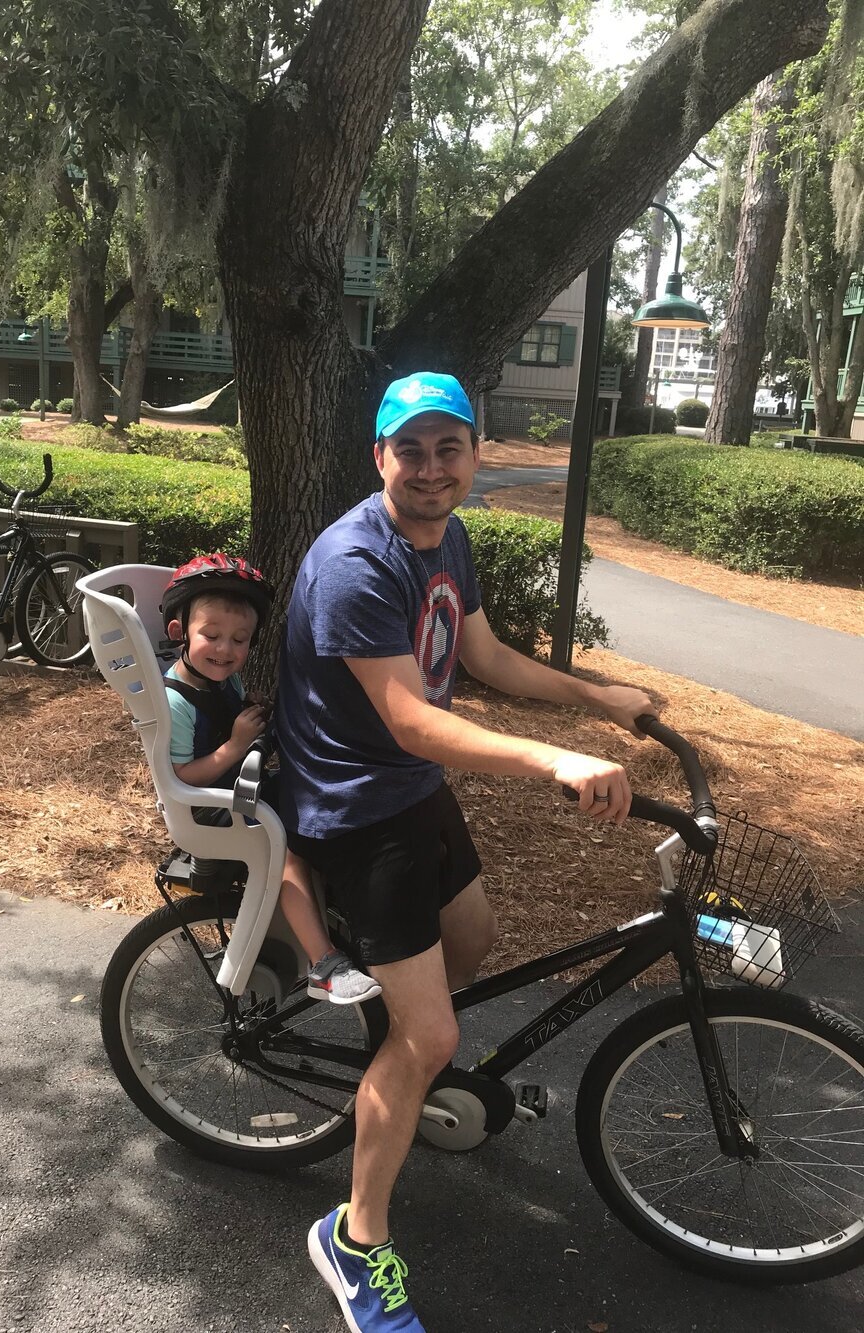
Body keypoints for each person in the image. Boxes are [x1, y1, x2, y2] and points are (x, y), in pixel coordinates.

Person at [275, 373, 657, 1331]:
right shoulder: (358, 560)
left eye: (450, 447)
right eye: (412, 449)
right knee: (433, 1036)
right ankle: (356, 1239)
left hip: (411, 794)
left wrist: (594, 697)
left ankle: (394, 1074)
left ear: (475, 455)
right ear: (381, 458)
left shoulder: (448, 538)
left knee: (476, 939)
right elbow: (408, 720)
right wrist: (555, 758)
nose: (432, 467)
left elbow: (481, 657)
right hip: (356, 806)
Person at [161, 554, 381, 1005]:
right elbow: (179, 775)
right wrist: (236, 744)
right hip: (209, 807)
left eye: (240, 640)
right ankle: (324, 963)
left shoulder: (220, 681)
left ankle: (344, 913)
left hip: (239, 789)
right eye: (212, 636)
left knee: (318, 799)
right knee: (283, 849)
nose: (225, 650)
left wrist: (248, 711)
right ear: (179, 633)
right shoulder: (175, 700)